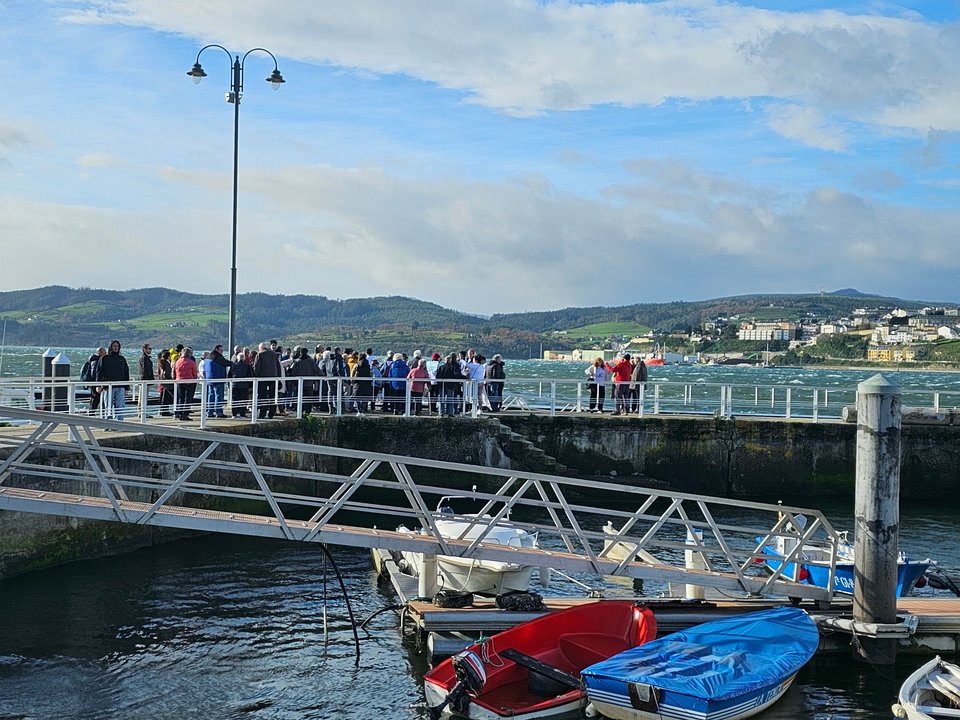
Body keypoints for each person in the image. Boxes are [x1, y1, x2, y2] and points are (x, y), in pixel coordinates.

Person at [95, 339, 130, 421]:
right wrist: (98, 385)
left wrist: (127, 387)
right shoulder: (104, 358)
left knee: (120, 406)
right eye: (114, 346)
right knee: (108, 406)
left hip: (120, 386)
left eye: (117, 346)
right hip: (108, 387)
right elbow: (99, 372)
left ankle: (119, 422)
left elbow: (126, 373)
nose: (116, 348)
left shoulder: (122, 359)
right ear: (110, 347)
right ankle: (108, 422)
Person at [253, 341, 282, 419]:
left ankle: (262, 413)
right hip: (274, 377)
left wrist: (255, 376)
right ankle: (271, 413)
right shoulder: (274, 354)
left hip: (263, 378)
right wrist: (279, 377)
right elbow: (278, 367)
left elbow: (256, 368)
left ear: (260, 348)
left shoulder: (260, 354)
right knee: (273, 396)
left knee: (262, 396)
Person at [204, 344, 231, 418]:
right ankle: (219, 412)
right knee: (219, 396)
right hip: (218, 379)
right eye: (221, 350)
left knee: (211, 395)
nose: (222, 352)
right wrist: (234, 363)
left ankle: (210, 412)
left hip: (209, 379)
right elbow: (226, 363)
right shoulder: (217, 357)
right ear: (217, 349)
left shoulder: (208, 357)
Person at [435, 353, 463, 417]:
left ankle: (441, 412)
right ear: (450, 361)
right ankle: (450, 412)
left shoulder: (441, 367)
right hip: (450, 386)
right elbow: (457, 375)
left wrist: (439, 384)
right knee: (450, 399)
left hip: (442, 386)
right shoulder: (452, 367)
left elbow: (437, 376)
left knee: (442, 399)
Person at [174, 347, 198, 421]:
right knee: (187, 398)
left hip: (179, 381)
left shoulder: (178, 361)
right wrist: (194, 378)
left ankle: (179, 413)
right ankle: (185, 414)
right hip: (189, 382)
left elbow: (174, 372)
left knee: (181, 398)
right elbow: (195, 373)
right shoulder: (191, 362)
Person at [228, 351, 253, 417]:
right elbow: (250, 376)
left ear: (237, 358)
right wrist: (251, 386)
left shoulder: (233, 365)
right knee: (243, 399)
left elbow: (229, 375)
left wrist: (229, 385)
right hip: (244, 386)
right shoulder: (247, 366)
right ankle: (242, 413)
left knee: (235, 400)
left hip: (234, 385)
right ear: (244, 358)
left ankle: (234, 413)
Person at [156, 349, 174, 416]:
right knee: (166, 398)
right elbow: (168, 373)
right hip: (167, 383)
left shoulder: (161, 363)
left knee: (163, 397)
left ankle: (162, 411)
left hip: (163, 382)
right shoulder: (166, 363)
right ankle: (165, 411)